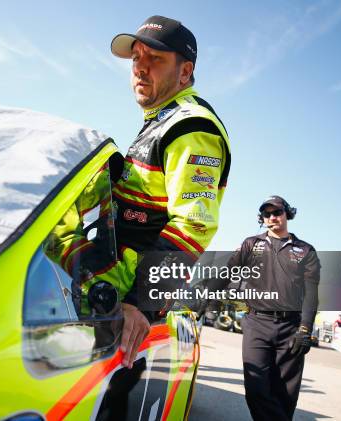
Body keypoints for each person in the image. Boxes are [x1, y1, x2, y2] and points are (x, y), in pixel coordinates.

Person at [110, 15, 231, 368]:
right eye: (136, 58)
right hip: (113, 299)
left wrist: (141, 302)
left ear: (184, 71)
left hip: (128, 313)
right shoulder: (161, 120)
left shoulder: (191, 125)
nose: (140, 68)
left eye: (155, 59)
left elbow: (193, 225)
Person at [226, 196, 321, 421]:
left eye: (276, 212)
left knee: (285, 394)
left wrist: (305, 329)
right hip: (256, 323)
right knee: (257, 389)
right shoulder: (251, 244)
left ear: (287, 213)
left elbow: (311, 294)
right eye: (266, 214)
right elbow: (226, 274)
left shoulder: (306, 250)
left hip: (291, 326)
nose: (272, 218)